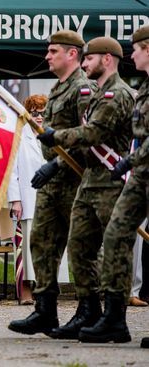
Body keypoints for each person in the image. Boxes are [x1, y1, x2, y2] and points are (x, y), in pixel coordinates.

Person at [37, 37, 136, 339]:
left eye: (88, 59)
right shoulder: (99, 94)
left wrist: (57, 136)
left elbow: (92, 133)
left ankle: (114, 317)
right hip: (91, 181)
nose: (84, 64)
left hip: (110, 181)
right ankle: (90, 311)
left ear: (106, 59)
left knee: (114, 251)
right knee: (79, 249)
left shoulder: (117, 94)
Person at [8, 30, 93, 335]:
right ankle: (45, 310)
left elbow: (88, 136)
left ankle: (88, 310)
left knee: (82, 248)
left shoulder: (83, 89)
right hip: (52, 183)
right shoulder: (57, 89)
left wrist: (55, 164)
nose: (47, 56)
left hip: (74, 179)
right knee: (41, 242)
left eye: (53, 51)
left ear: (72, 54)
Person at [78, 26, 149, 345]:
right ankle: (115, 319)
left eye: (137, 49)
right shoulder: (144, 88)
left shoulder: (125, 91)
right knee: (117, 237)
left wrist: (129, 161)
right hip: (139, 176)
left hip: (136, 170)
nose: (131, 54)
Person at [8, 94, 47, 305]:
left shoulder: (52, 135)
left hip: (49, 201)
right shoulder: (19, 136)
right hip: (26, 199)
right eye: (35, 113)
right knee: (25, 247)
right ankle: (25, 290)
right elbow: (11, 172)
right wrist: (15, 200)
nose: (39, 117)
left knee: (47, 247)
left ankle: (45, 289)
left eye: (42, 113)